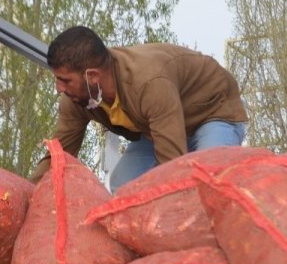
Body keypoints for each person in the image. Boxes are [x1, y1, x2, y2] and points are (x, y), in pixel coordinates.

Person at [32, 26, 248, 191]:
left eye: (64, 80)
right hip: (159, 126)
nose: (59, 88)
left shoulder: (149, 83)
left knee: (208, 182)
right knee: (124, 185)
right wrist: (29, 196)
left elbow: (172, 166)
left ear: (93, 76)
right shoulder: (75, 98)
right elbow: (58, 157)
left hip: (212, 112)